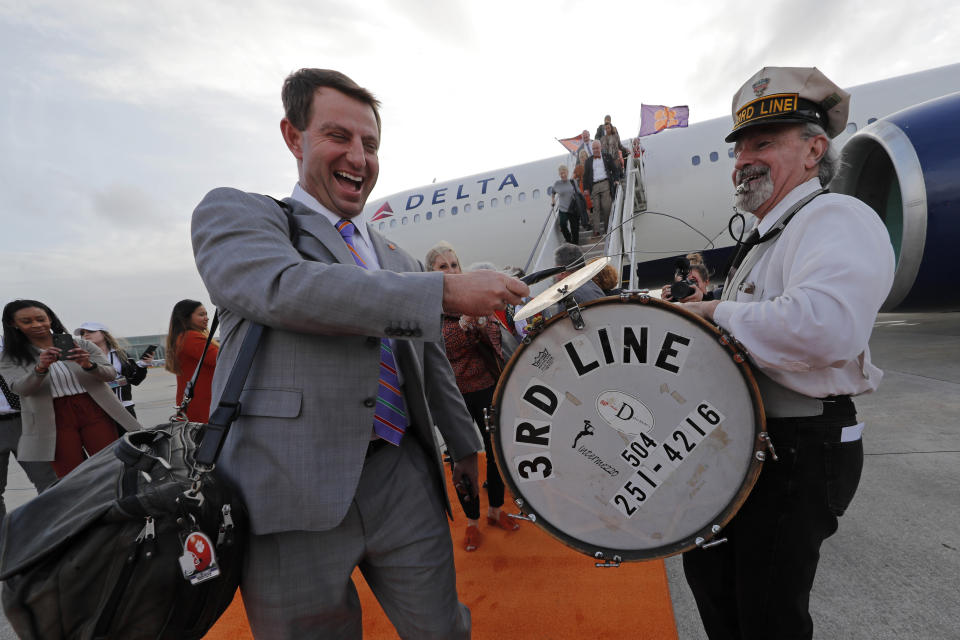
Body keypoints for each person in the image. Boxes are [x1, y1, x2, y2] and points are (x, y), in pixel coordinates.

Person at [190, 68, 528, 639]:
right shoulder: (240, 217)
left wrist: (465, 444)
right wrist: (444, 290)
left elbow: (430, 362)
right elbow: (285, 287)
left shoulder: (395, 255)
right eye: (337, 136)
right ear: (293, 137)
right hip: (289, 491)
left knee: (443, 629)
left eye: (370, 144)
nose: (359, 156)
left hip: (402, 477)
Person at [678, 66, 895, 640]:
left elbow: (826, 329)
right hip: (753, 445)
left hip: (798, 449)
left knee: (767, 614)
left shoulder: (834, 217)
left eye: (765, 143)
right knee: (717, 585)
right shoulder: (775, 233)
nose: (745, 158)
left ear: (814, 149)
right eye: (741, 146)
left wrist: (715, 313)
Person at [426, 244, 519, 553]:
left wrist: (480, 323)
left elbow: (496, 336)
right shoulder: (430, 308)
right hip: (455, 395)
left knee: (495, 453)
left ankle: (494, 510)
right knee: (463, 458)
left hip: (488, 387)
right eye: (443, 267)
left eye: (454, 264)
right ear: (431, 274)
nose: (451, 271)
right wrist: (468, 324)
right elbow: (445, 347)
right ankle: (471, 522)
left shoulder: (472, 302)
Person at [0, 300, 140, 478]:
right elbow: (19, 389)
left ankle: (116, 504)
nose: (37, 325)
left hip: (93, 408)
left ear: (50, 318)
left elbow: (110, 374)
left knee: (110, 466)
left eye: (41, 319)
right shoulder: (11, 356)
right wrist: (40, 368)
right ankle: (85, 505)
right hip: (51, 416)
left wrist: (88, 365)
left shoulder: (80, 345)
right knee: (71, 474)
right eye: (26, 321)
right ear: (14, 324)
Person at [0, 351, 58, 523]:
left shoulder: (17, 346)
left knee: (48, 482)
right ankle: (3, 541)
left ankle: (56, 530)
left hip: (25, 421)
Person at [74, 321, 152, 418]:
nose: (86, 334)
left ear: (103, 333)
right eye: (82, 333)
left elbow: (135, 380)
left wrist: (143, 365)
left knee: (132, 433)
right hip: (96, 408)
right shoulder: (80, 357)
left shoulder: (121, 354)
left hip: (125, 406)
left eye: (91, 331)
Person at [164, 300, 218, 422]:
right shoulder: (190, 337)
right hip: (202, 403)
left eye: (206, 314)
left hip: (196, 402)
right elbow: (222, 359)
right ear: (186, 318)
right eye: (201, 314)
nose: (207, 318)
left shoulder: (182, 337)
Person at [582, 140, 622, 237]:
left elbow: (615, 170)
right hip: (594, 186)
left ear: (600, 148)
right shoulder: (588, 161)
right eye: (594, 148)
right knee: (596, 208)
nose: (595, 150)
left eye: (597, 148)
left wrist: (616, 180)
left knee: (606, 206)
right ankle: (596, 231)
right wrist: (586, 189)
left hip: (605, 183)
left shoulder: (607, 157)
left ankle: (607, 229)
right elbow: (585, 176)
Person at [551, 164, 582, 245]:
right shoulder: (557, 184)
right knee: (563, 224)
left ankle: (575, 244)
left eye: (564, 173)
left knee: (574, 227)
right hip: (563, 209)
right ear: (559, 174)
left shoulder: (572, 182)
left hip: (573, 208)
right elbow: (553, 192)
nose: (563, 175)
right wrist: (553, 200)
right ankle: (568, 240)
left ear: (567, 172)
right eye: (561, 173)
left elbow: (578, 193)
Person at [573, 149, 593, 231]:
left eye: (583, 157)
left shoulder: (591, 164)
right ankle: (589, 222)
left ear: (586, 156)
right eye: (581, 157)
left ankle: (591, 221)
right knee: (587, 206)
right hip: (583, 187)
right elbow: (573, 178)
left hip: (592, 185)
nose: (582, 158)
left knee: (592, 205)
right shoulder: (578, 167)